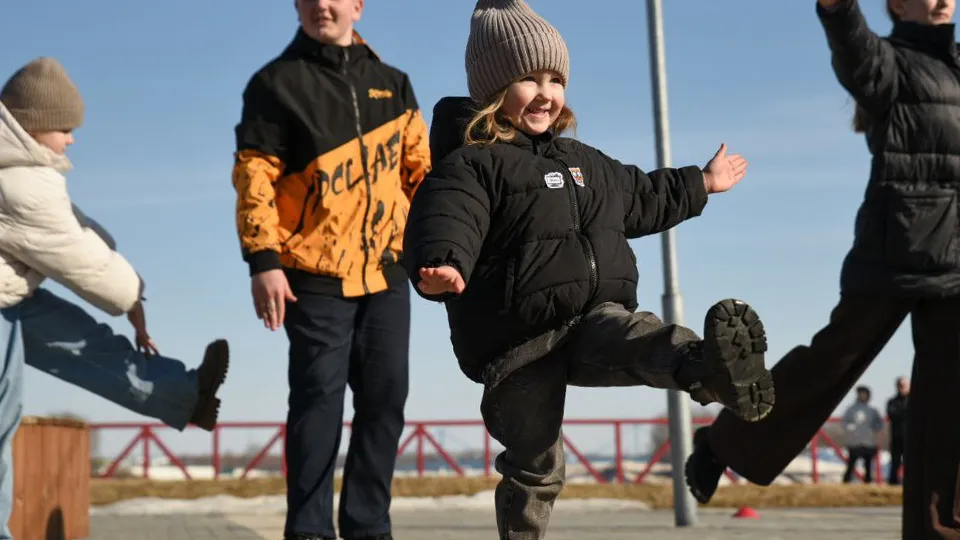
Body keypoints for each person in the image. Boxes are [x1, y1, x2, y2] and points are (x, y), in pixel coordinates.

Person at [401, 1, 774, 538]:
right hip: (518, 343)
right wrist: (442, 264)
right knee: (537, 462)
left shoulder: (585, 163)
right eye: (529, 78)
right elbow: (446, 217)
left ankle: (712, 367)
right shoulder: (472, 164)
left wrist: (702, 182)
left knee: (644, 337)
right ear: (491, 89)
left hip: (593, 317)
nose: (547, 93)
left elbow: (644, 193)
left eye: (556, 79)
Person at [683, 0, 960, 537]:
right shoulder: (887, 63)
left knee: (952, 399)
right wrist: (836, 9)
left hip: (958, 256)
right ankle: (721, 443)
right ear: (898, 4)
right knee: (832, 363)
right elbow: (851, 44)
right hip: (895, 247)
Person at [0, 57, 230, 539]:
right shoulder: (19, 181)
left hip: (12, 295)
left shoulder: (22, 164)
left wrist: (123, 273)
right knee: (3, 420)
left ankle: (185, 395)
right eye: (65, 127)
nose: (73, 138)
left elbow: (76, 226)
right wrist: (133, 297)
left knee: (86, 341)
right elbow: (76, 255)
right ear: (33, 125)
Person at [230, 0, 431, 538]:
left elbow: (422, 177)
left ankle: (369, 527)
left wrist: (436, 250)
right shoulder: (275, 83)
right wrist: (263, 261)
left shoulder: (396, 83)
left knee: (386, 401)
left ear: (357, 6)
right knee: (318, 401)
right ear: (297, 6)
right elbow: (254, 178)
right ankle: (310, 531)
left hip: (387, 270)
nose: (324, 4)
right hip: (312, 272)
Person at [841, 386, 883, 483]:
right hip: (855, 442)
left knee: (868, 465)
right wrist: (850, 428)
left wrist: (875, 428)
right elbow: (845, 422)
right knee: (851, 464)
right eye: (861, 394)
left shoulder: (872, 410)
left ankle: (867, 482)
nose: (863, 396)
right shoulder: (851, 409)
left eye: (865, 394)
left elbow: (879, 423)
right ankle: (846, 482)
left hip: (869, 441)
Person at [886, 376, 909, 485]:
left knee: (910, 463)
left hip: (910, 438)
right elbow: (892, 415)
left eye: (904, 385)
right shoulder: (892, 402)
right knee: (895, 463)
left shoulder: (915, 401)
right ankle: (893, 484)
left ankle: (910, 485)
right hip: (896, 437)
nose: (902, 388)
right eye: (900, 385)